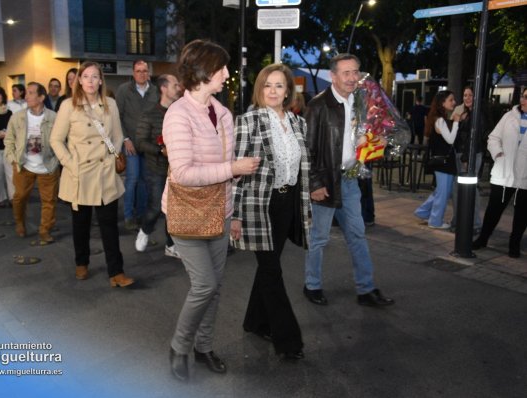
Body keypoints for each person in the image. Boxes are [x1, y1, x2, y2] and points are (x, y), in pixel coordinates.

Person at [162, 40, 260, 381]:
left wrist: (234, 214)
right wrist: (233, 167)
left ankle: (204, 347)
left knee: (215, 286)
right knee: (203, 285)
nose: (226, 74)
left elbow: (226, 173)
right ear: (203, 71)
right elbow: (184, 173)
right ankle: (179, 346)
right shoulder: (177, 114)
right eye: (221, 68)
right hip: (187, 211)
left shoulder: (223, 113)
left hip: (220, 211)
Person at [231, 63, 309, 360]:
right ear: (259, 89)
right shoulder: (248, 121)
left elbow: (301, 167)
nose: (273, 91)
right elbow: (238, 171)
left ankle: (255, 321)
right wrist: (236, 214)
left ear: (288, 90)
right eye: (267, 85)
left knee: (269, 265)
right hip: (258, 205)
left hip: (287, 204)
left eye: (279, 85)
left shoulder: (298, 123)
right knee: (272, 271)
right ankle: (289, 341)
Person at [303, 54, 394, 308]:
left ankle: (366, 289)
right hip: (326, 180)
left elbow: (364, 136)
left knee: (357, 234)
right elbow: (307, 149)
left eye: (355, 71)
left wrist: (377, 143)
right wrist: (315, 184)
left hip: (351, 179)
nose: (352, 77)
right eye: (346, 72)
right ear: (333, 76)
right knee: (319, 237)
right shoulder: (318, 105)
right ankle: (312, 285)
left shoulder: (361, 103)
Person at [50, 61, 134, 287]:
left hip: (104, 172)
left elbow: (117, 136)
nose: (90, 80)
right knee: (81, 224)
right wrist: (70, 163)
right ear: (79, 80)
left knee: (109, 225)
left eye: (94, 76)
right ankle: (82, 263)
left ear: (100, 80)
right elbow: (56, 140)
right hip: (79, 173)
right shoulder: (68, 105)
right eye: (85, 76)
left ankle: (116, 272)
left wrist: (111, 156)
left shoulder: (111, 105)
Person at [472, 87, 527, 258]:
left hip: (524, 176)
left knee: (522, 215)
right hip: (503, 173)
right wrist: (498, 154)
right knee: (493, 210)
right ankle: (483, 239)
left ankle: (514, 244)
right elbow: (493, 138)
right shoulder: (509, 116)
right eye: (524, 96)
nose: (524, 100)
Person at [4, 82, 60, 242]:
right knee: (19, 197)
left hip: (48, 166)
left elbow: (62, 139)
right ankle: (20, 222)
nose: (26, 96)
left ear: (41, 97)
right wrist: (12, 159)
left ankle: (44, 230)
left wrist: (58, 160)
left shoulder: (53, 117)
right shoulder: (18, 117)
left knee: (49, 201)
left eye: (30, 93)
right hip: (24, 165)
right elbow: (9, 140)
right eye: (26, 93)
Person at [134, 74, 182, 258]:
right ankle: (145, 230)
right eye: (175, 84)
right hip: (156, 169)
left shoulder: (180, 112)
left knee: (174, 210)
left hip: (177, 170)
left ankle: (171, 245)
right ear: (163, 88)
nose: (178, 88)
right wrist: (160, 150)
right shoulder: (150, 113)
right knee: (156, 207)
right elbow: (140, 141)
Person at [116, 59, 159, 231]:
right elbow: (117, 116)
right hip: (131, 144)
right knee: (132, 179)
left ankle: (141, 215)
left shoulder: (155, 91)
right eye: (138, 71)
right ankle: (128, 216)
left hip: (148, 145)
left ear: (149, 73)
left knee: (144, 181)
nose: (142, 74)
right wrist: (125, 139)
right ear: (133, 73)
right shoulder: (124, 90)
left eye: (145, 70)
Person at [414, 90, 460, 229]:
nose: (454, 102)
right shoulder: (439, 120)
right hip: (443, 162)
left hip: (443, 162)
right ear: (442, 103)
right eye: (451, 100)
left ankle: (423, 212)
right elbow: (450, 139)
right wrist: (456, 123)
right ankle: (435, 221)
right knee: (443, 193)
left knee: (440, 191)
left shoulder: (439, 118)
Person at [450, 86, 483, 233]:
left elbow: (475, 137)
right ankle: (458, 221)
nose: (467, 98)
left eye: (470, 95)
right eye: (465, 95)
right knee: (457, 189)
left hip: (472, 155)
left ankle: (475, 224)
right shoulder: (460, 111)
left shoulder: (478, 113)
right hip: (460, 153)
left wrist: (466, 157)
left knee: (471, 189)